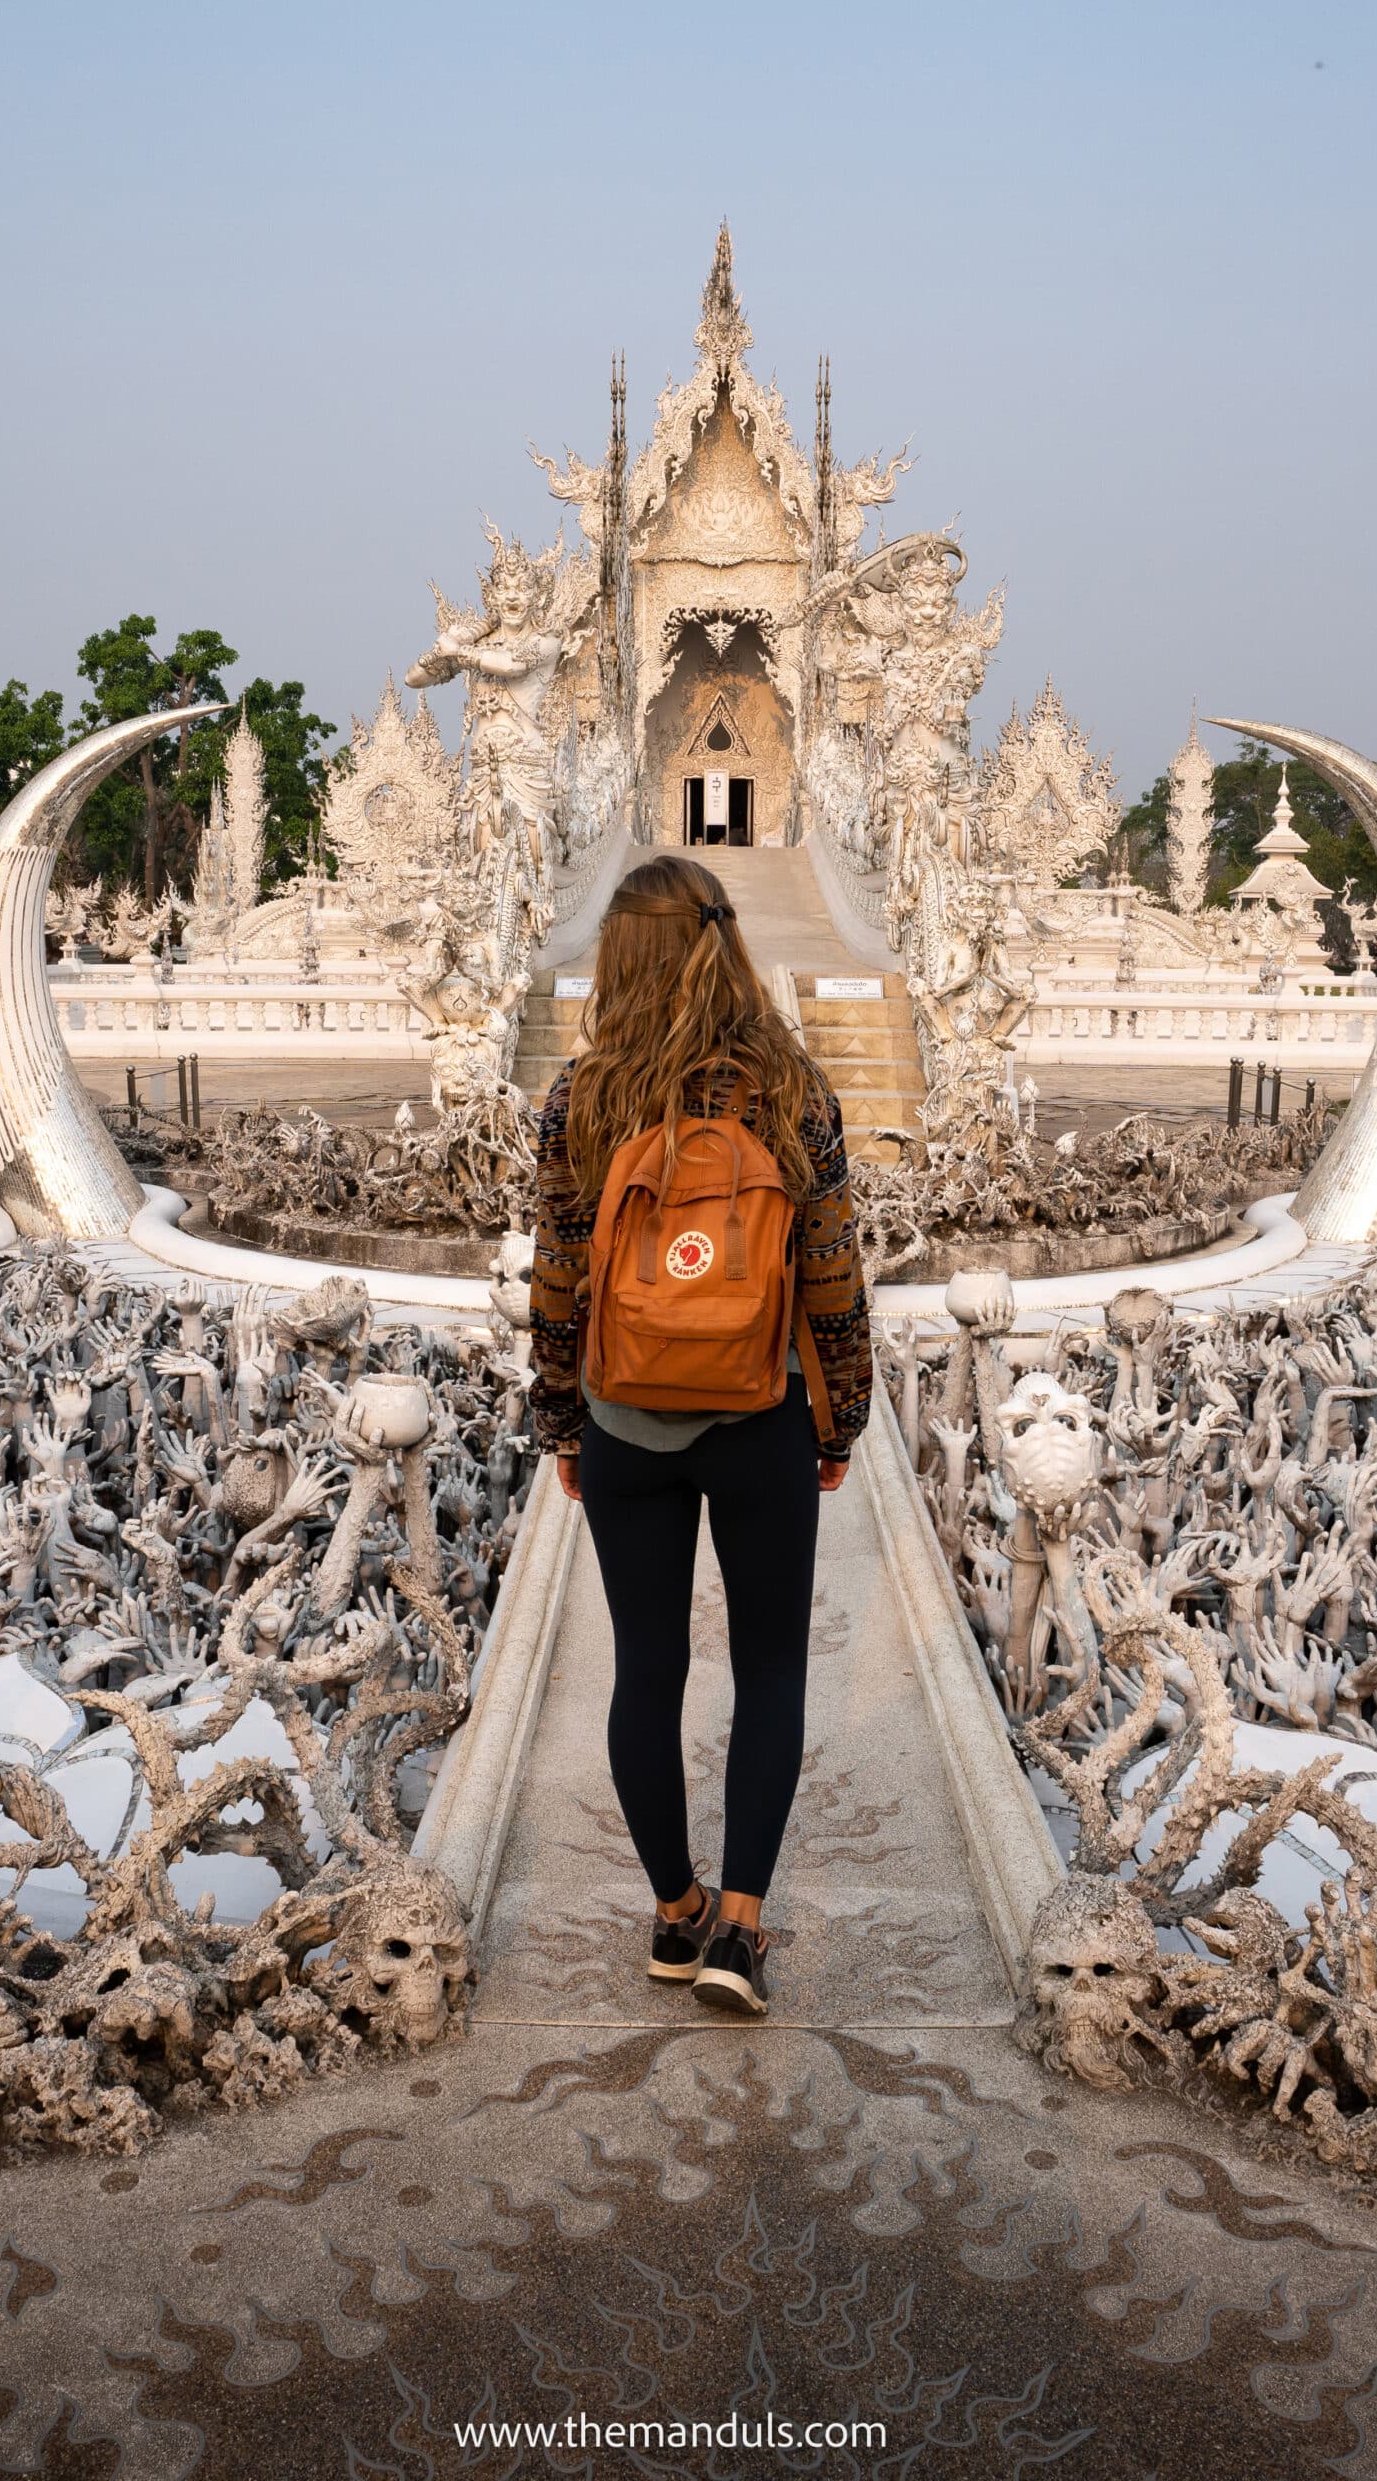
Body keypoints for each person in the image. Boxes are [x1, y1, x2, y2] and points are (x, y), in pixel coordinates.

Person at [528, 854, 872, 2015]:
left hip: (628, 1412)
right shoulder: (791, 1090)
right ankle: (738, 1929)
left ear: (617, 959)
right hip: (759, 1405)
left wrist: (561, 1421)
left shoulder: (583, 1096)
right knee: (769, 1668)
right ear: (727, 944)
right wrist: (843, 1412)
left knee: (647, 1669)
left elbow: (558, 1274)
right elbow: (828, 1270)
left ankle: (671, 1911)